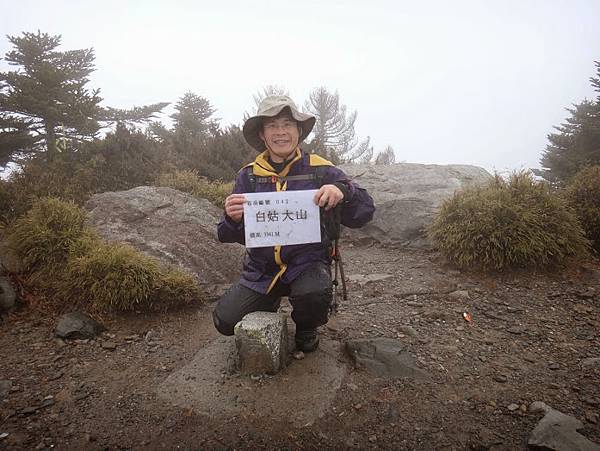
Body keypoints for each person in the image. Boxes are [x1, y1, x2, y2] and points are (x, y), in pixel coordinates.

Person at [213, 95, 375, 352]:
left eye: (287, 124)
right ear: (262, 135)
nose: (281, 132)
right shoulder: (249, 176)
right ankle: (268, 302)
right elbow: (226, 234)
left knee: (314, 293)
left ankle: (307, 327)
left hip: (308, 265)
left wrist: (344, 191)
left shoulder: (322, 170)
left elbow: (365, 213)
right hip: (261, 271)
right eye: (272, 126)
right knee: (225, 320)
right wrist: (233, 218)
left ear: (299, 131)